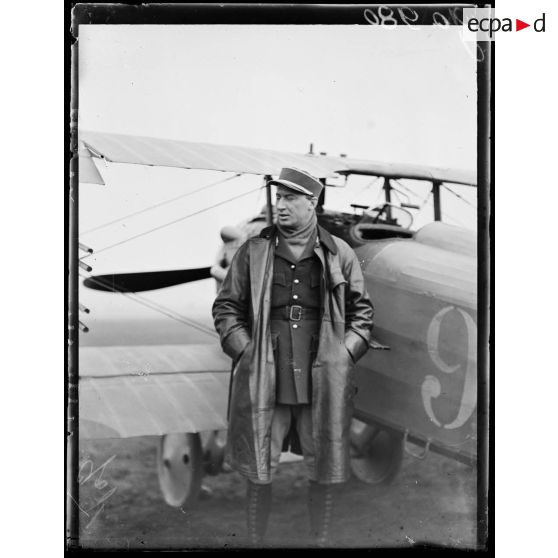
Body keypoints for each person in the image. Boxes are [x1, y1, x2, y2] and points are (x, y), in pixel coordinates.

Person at [212, 167, 374, 547]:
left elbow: (362, 315)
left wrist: (343, 356)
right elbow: (226, 308)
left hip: (323, 376)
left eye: (289, 199)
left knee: (324, 464)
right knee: (259, 464)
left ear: (311, 202)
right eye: (278, 198)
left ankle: (320, 542)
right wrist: (246, 351)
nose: (280, 206)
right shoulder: (254, 251)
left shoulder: (341, 253)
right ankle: (255, 541)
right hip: (266, 372)